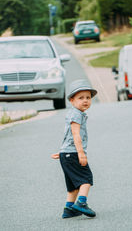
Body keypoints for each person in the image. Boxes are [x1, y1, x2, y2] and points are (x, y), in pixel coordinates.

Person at [51, 79, 97, 219]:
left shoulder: (74, 113)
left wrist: (63, 152)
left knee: (73, 185)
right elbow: (75, 134)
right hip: (74, 153)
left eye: (88, 98)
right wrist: (81, 153)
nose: (85, 101)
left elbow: (68, 135)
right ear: (72, 100)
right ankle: (81, 203)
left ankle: (69, 209)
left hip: (67, 153)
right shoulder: (76, 114)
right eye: (81, 98)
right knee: (86, 179)